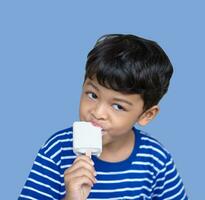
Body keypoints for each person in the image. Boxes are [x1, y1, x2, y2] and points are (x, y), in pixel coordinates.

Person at [19, 34, 188, 200]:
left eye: (118, 106)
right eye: (92, 95)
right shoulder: (57, 150)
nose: (97, 113)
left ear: (146, 115)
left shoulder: (156, 159)